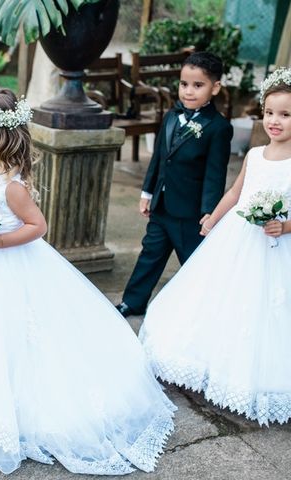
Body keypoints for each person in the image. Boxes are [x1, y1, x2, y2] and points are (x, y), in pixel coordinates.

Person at [0, 87, 176, 475]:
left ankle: (20, 409)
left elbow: (37, 226)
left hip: (10, 266)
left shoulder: (12, 185)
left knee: (15, 334)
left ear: (3, 135)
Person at [140, 68, 291, 426]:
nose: (274, 121)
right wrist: (213, 218)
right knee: (223, 299)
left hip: (277, 245)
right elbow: (237, 193)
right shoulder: (255, 155)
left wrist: (284, 225)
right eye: (269, 112)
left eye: (285, 115)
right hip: (240, 239)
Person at [115, 52, 233, 317]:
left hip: (190, 214)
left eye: (198, 85)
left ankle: (207, 308)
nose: (188, 91)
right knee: (149, 256)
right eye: (183, 84)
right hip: (162, 206)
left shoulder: (218, 128)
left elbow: (215, 174)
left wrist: (209, 212)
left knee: (195, 263)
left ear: (215, 88)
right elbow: (158, 158)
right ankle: (132, 301)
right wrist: (147, 192)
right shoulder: (171, 117)